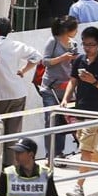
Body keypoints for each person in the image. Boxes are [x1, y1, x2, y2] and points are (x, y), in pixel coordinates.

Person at [61, 26, 98, 196]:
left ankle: (79, 186)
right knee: (89, 148)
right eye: (84, 44)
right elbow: (73, 81)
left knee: (85, 149)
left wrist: (94, 81)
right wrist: (65, 99)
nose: (87, 48)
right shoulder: (79, 61)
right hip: (81, 109)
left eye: (91, 45)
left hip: (97, 111)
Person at [0, 18, 42, 165]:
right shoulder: (16, 45)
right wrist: (23, 70)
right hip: (18, 92)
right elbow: (37, 56)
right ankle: (10, 164)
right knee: (13, 133)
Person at [38, 16, 79, 159]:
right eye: (75, 28)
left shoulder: (73, 44)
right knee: (51, 121)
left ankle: (59, 153)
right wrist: (63, 58)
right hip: (50, 88)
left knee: (64, 121)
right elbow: (45, 61)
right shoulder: (53, 41)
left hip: (67, 88)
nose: (77, 31)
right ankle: (51, 153)